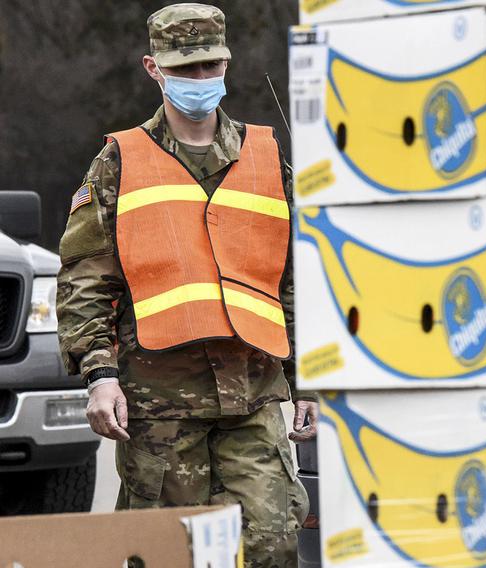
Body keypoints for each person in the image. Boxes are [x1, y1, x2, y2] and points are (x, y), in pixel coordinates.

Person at [56, 4, 315, 566]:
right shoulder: (120, 162)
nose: (200, 79)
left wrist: (309, 380)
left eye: (210, 65)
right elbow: (85, 277)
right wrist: (99, 377)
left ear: (227, 62)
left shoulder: (266, 158)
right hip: (161, 405)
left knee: (272, 545)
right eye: (185, 69)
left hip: (254, 391)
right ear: (155, 68)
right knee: (170, 554)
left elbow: (293, 277)